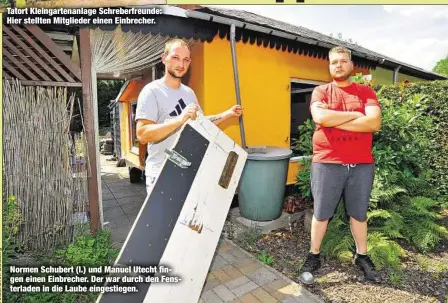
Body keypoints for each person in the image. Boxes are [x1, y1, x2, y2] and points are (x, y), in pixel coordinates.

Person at [298, 46, 382, 284]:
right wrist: (357, 116)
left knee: (359, 214)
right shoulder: (321, 91)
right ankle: (314, 255)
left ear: (351, 65)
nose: (338, 65)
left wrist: (336, 120)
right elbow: (321, 118)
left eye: (343, 61)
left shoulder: (365, 92)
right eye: (334, 62)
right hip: (327, 162)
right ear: (329, 65)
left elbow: (374, 123)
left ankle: (361, 255)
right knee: (322, 213)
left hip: (361, 164)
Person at [135, 38, 243, 195]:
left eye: (186, 60)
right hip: (161, 174)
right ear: (164, 58)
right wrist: (179, 120)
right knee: (165, 220)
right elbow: (142, 134)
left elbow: (202, 124)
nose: (181, 64)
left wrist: (227, 114)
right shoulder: (151, 91)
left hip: (187, 171)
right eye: (175, 58)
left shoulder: (189, 93)